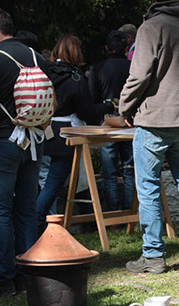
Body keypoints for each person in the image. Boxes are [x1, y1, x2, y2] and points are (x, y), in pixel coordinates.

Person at [119, 0, 179, 274]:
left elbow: (139, 76)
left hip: (153, 120)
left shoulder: (151, 27)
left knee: (149, 187)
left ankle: (153, 256)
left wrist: (124, 106)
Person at [0, 8, 52, 296]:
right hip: (34, 140)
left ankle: (3, 278)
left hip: (3, 139)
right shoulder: (37, 57)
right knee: (27, 208)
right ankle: (27, 274)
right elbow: (50, 102)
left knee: (0, 210)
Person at [36, 35, 115, 230]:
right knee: (56, 183)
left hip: (45, 129)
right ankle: (35, 221)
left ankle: (53, 222)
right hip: (67, 133)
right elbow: (87, 112)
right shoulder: (76, 79)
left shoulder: (46, 73)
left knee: (52, 180)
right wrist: (107, 106)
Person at [89, 30, 133, 211]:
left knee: (109, 172)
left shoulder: (99, 69)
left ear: (106, 48)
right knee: (130, 169)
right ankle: (131, 211)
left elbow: (92, 99)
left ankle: (113, 214)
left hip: (107, 122)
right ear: (126, 48)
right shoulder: (133, 67)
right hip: (130, 121)